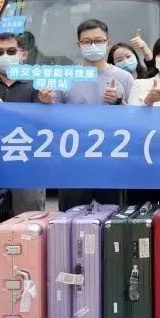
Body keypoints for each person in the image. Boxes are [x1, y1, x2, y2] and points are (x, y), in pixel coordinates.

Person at [0, 33, 55, 213]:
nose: (5, 56)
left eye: (11, 51)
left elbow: (44, 125)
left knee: (28, 217)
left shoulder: (38, 86)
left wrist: (45, 104)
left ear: (23, 54)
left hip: (27, 165)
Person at [59, 19, 135, 209]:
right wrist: (44, 99)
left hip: (112, 160)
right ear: (79, 44)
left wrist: (118, 102)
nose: (93, 45)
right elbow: (53, 115)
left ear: (108, 42)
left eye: (98, 41)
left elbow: (135, 118)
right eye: (87, 42)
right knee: (70, 215)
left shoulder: (124, 77)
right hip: (74, 161)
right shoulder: (66, 77)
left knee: (112, 215)